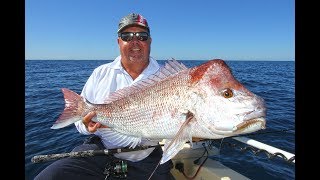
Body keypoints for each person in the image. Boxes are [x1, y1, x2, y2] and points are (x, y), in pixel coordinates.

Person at [35, 13, 174, 180]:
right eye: (127, 36)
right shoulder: (100, 73)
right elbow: (80, 122)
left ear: (149, 41)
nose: (135, 42)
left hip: (147, 157)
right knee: (49, 176)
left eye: (142, 36)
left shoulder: (167, 78)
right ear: (118, 42)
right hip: (100, 152)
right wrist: (87, 125)